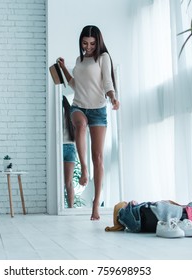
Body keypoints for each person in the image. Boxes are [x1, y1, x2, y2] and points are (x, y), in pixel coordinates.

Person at [58, 25, 120, 220]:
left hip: (98, 110)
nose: (88, 47)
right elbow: (76, 85)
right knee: (80, 124)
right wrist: (62, 68)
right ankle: (84, 168)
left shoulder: (103, 58)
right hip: (78, 106)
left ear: (98, 42)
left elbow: (108, 83)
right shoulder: (79, 60)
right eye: (85, 43)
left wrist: (113, 97)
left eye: (92, 43)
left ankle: (96, 203)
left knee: (99, 157)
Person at [62, 95, 76, 208]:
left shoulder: (57, 112)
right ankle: (71, 208)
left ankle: (59, 206)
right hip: (71, 147)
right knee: (69, 182)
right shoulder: (70, 113)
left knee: (58, 181)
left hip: (60, 147)